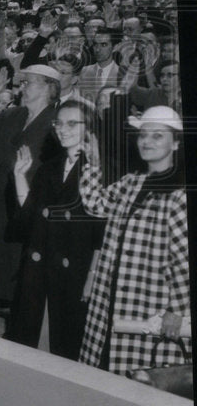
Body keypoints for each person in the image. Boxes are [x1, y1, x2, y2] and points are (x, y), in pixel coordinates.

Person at [76, 106, 190, 375]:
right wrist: (93, 164)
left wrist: (177, 309)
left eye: (157, 136)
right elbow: (96, 205)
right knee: (104, 370)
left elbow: (184, 260)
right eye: (143, 135)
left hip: (150, 304)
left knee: (141, 376)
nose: (147, 141)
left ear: (175, 144)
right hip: (112, 294)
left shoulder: (180, 194)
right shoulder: (132, 182)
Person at [7, 99, 105, 359]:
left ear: (90, 127)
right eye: (59, 123)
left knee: (67, 343)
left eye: (72, 123)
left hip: (78, 268)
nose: (63, 129)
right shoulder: (49, 167)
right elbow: (30, 218)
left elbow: (102, 233)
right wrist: (19, 176)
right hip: (41, 266)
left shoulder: (103, 169)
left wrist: (93, 276)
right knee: (33, 339)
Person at [0, 64, 63, 312]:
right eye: (22, 82)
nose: (23, 87)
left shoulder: (57, 121)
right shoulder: (13, 114)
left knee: (25, 260)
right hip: (1, 194)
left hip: (32, 197)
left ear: (49, 88)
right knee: (0, 258)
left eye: (30, 82)